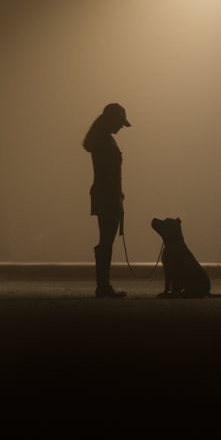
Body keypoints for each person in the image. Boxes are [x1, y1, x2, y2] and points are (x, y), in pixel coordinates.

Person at [83, 102, 132, 298]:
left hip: (105, 194)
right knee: (106, 241)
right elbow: (109, 173)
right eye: (120, 122)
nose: (121, 126)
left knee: (106, 240)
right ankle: (103, 286)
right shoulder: (104, 141)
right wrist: (117, 196)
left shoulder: (102, 140)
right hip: (107, 195)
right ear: (112, 120)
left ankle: (103, 284)